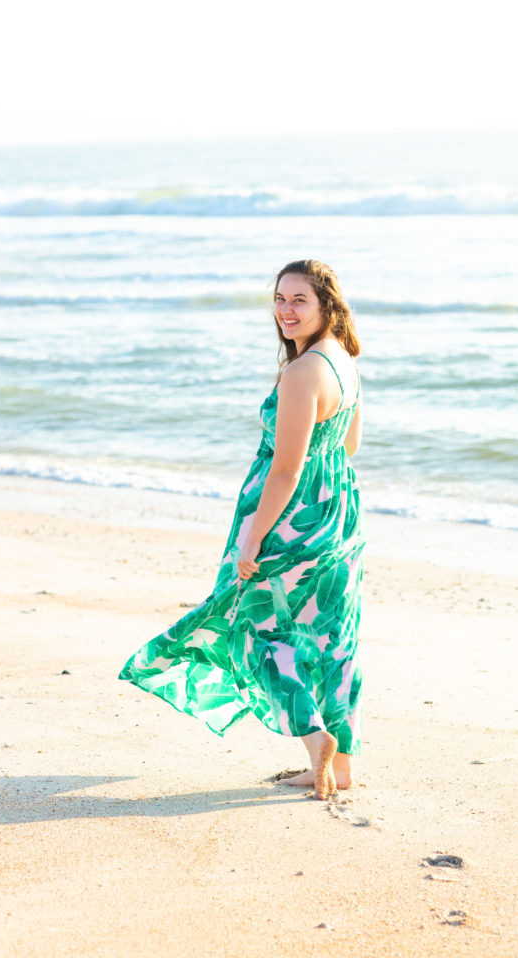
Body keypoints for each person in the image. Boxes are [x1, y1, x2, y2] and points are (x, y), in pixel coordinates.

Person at [119, 259, 364, 800]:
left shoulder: (301, 373)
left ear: (326, 305)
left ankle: (313, 738)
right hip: (338, 509)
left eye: (299, 299)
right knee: (332, 635)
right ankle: (342, 765)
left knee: (258, 629)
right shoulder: (344, 360)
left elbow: (285, 469)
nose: (285, 309)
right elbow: (349, 446)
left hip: (288, 516)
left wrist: (254, 536)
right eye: (280, 298)